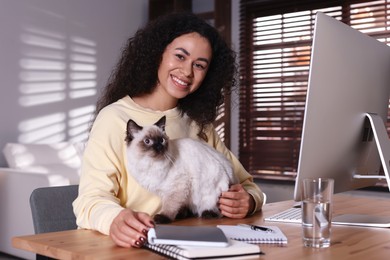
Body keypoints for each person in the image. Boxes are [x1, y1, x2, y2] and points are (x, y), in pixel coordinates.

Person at [73, 12, 265, 249]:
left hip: (196, 243)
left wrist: (249, 201)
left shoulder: (198, 124)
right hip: (135, 247)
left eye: (199, 65)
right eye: (180, 56)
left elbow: (247, 185)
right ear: (158, 53)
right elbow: (89, 200)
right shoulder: (114, 118)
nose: (187, 71)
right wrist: (114, 219)